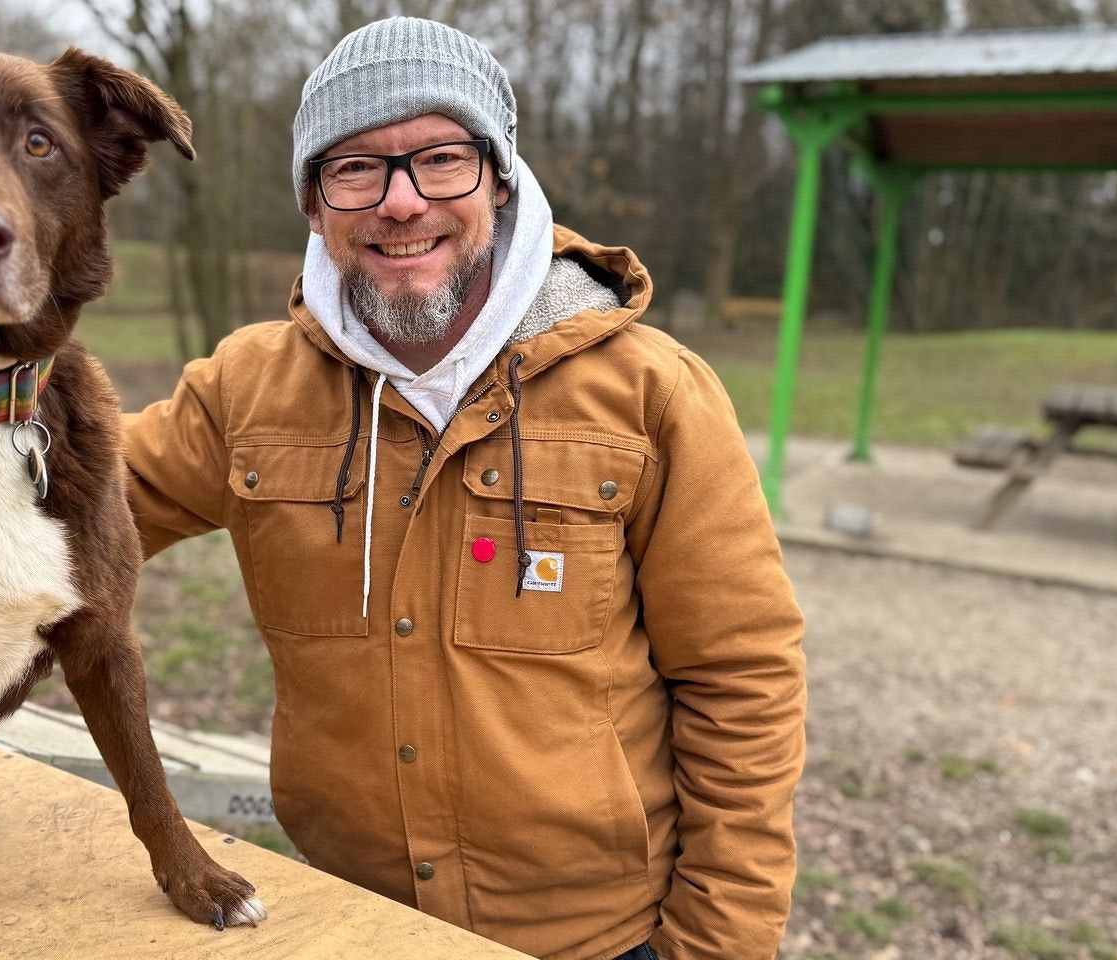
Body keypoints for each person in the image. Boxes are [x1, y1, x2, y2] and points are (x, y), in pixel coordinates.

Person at [124, 16, 806, 960]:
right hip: (347, 924)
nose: (401, 202)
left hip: (598, 939)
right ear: (313, 205)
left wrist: (715, 945)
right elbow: (60, 510)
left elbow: (743, 679)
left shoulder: (652, 393)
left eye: (440, 159)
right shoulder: (245, 392)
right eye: (355, 168)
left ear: (499, 178)